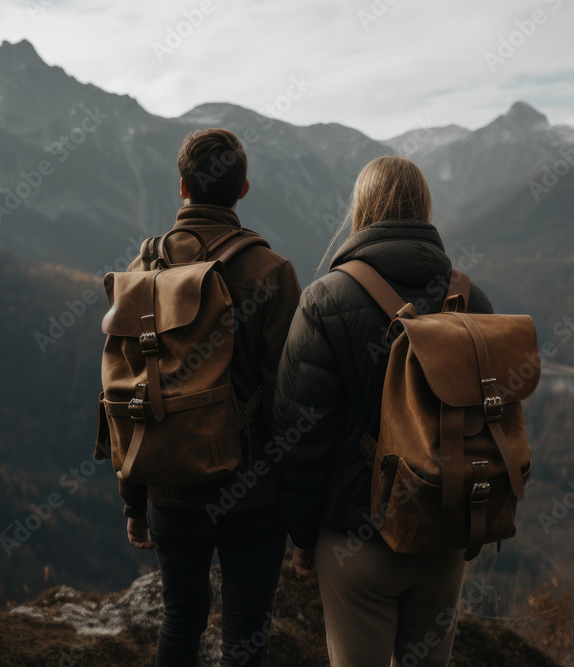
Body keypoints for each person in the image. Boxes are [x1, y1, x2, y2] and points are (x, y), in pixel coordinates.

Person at [272, 155, 494, 667]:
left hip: (356, 541)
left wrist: (303, 539)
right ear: (424, 208)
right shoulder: (470, 297)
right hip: (443, 531)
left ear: (362, 209)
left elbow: (298, 438)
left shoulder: (325, 299)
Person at [120, 128, 301, 666]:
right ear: (243, 189)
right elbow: (287, 402)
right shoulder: (271, 272)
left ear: (182, 188)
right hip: (251, 493)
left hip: (169, 485)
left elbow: (126, 394)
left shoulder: (141, 272)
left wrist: (135, 503)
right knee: (245, 632)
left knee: (180, 621)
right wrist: (299, 507)